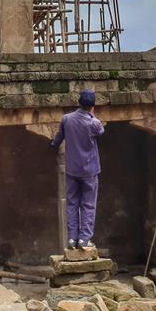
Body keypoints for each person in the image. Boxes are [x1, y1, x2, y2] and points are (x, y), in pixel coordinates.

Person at [50, 90, 104, 249]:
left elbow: (58, 138)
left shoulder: (67, 119)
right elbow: (101, 131)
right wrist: (92, 115)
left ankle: (72, 239)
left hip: (72, 169)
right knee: (88, 204)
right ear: (92, 107)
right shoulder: (93, 122)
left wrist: (52, 145)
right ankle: (84, 239)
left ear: (79, 103)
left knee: (72, 204)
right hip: (90, 171)